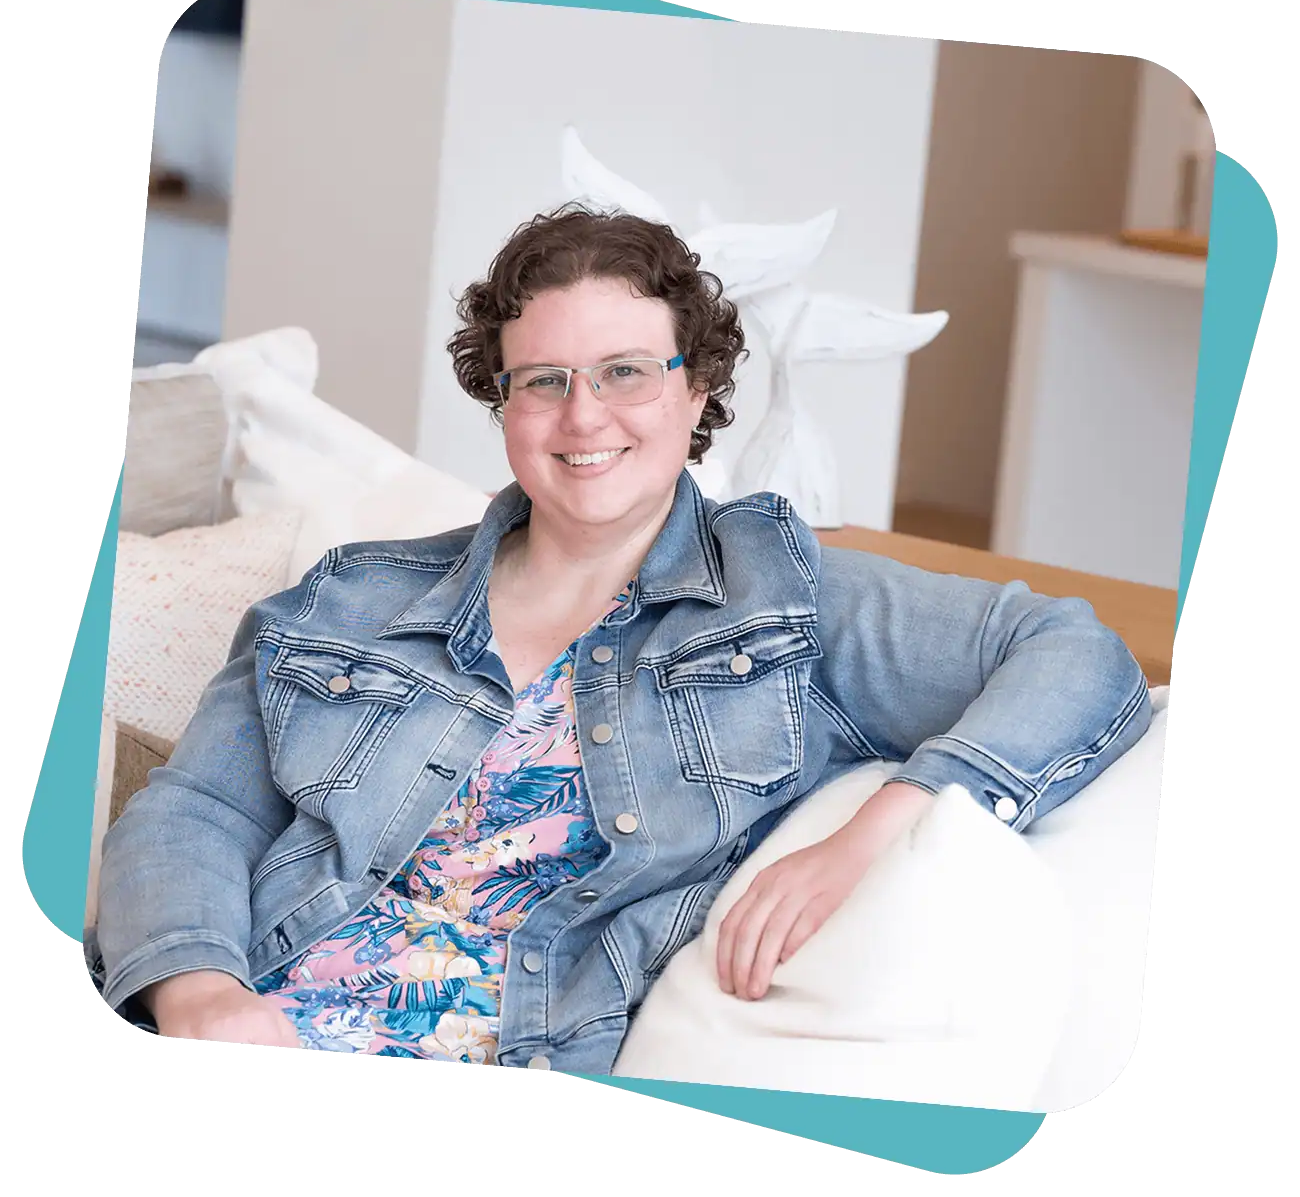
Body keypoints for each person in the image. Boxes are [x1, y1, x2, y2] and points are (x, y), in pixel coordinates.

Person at [86, 203, 1153, 1067]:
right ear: (499, 402)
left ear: (697, 390)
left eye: (626, 372)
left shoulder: (781, 601)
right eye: (542, 381)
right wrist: (201, 992)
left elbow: (1074, 655)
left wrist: (882, 824)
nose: (583, 416)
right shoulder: (346, 602)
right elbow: (196, 809)